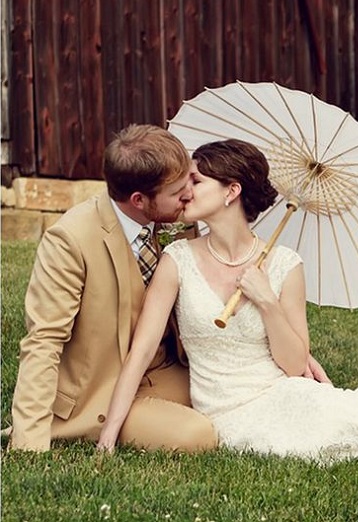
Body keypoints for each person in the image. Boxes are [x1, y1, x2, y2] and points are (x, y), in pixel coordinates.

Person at [97, 138, 358, 467]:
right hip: (223, 409)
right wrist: (108, 436)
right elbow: (139, 353)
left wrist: (267, 302)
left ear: (231, 191)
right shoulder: (178, 260)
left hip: (278, 390)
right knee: (320, 432)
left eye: (195, 181)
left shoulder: (285, 264)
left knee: (348, 418)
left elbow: (292, 361)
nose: (184, 191)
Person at [9, 125, 330, 453]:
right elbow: (43, 343)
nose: (188, 195)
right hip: (102, 386)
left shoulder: (177, 221)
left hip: (167, 374)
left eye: (192, 183)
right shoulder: (70, 240)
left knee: (256, 402)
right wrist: (28, 442)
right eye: (179, 190)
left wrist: (282, 342)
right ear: (139, 200)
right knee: (197, 436)